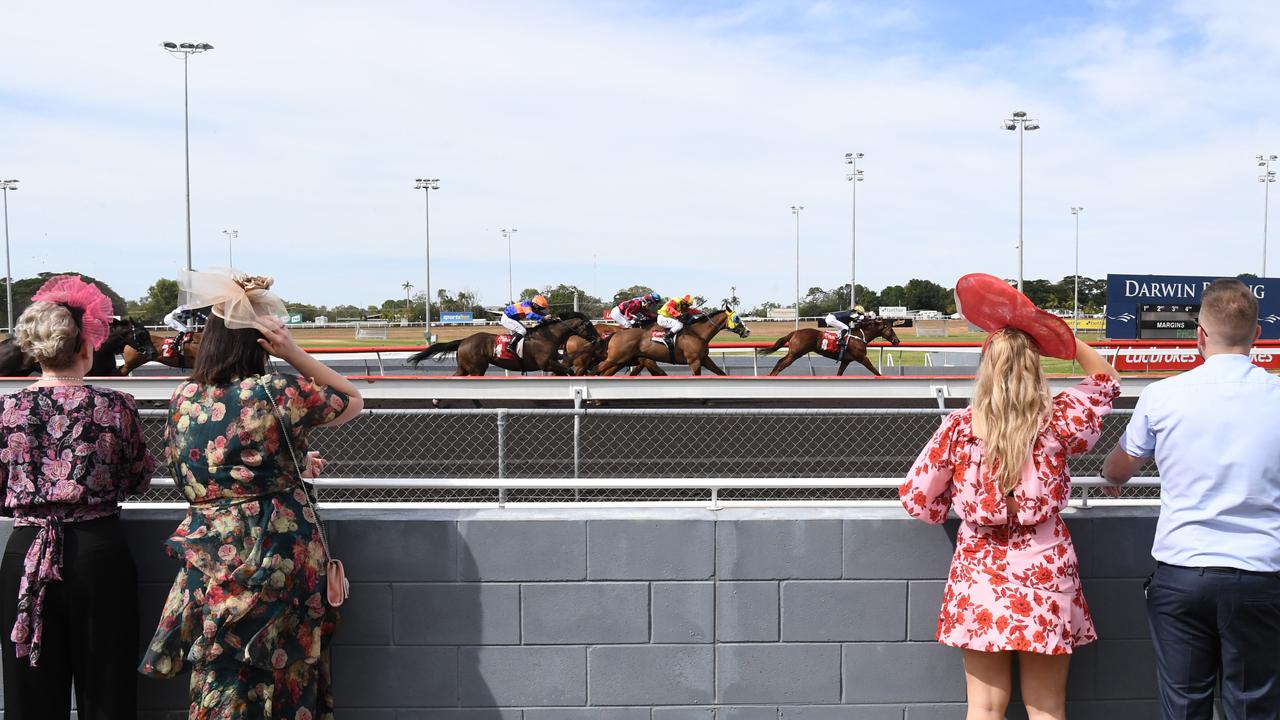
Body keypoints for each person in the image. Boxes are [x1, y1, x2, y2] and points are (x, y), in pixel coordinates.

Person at [139, 270, 364, 719]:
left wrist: (289, 463)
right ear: (264, 339)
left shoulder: (184, 396)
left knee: (220, 662)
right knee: (285, 664)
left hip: (210, 551)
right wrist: (293, 352)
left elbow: (206, 466)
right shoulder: (276, 391)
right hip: (276, 549)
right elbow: (351, 399)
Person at [901, 294, 1119, 718]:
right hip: (1047, 565)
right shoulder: (1059, 421)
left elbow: (918, 500)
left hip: (979, 568)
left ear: (987, 370)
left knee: (984, 709)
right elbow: (1108, 380)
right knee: (1048, 708)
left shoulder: (960, 428)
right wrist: (1063, 338)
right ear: (1035, 368)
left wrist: (959, 497)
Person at [1102, 278, 1280, 720]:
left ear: (1198, 335)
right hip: (1261, 574)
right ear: (1257, 335)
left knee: (1183, 707)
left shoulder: (1163, 395)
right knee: (1254, 707)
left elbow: (1116, 470)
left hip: (1183, 574)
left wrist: (1116, 476)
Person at [0, 275, 156, 718]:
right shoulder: (115, 404)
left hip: (26, 551)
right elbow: (138, 477)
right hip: (98, 552)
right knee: (107, 689)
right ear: (85, 347)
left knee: (30, 690)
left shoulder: (7, 408)